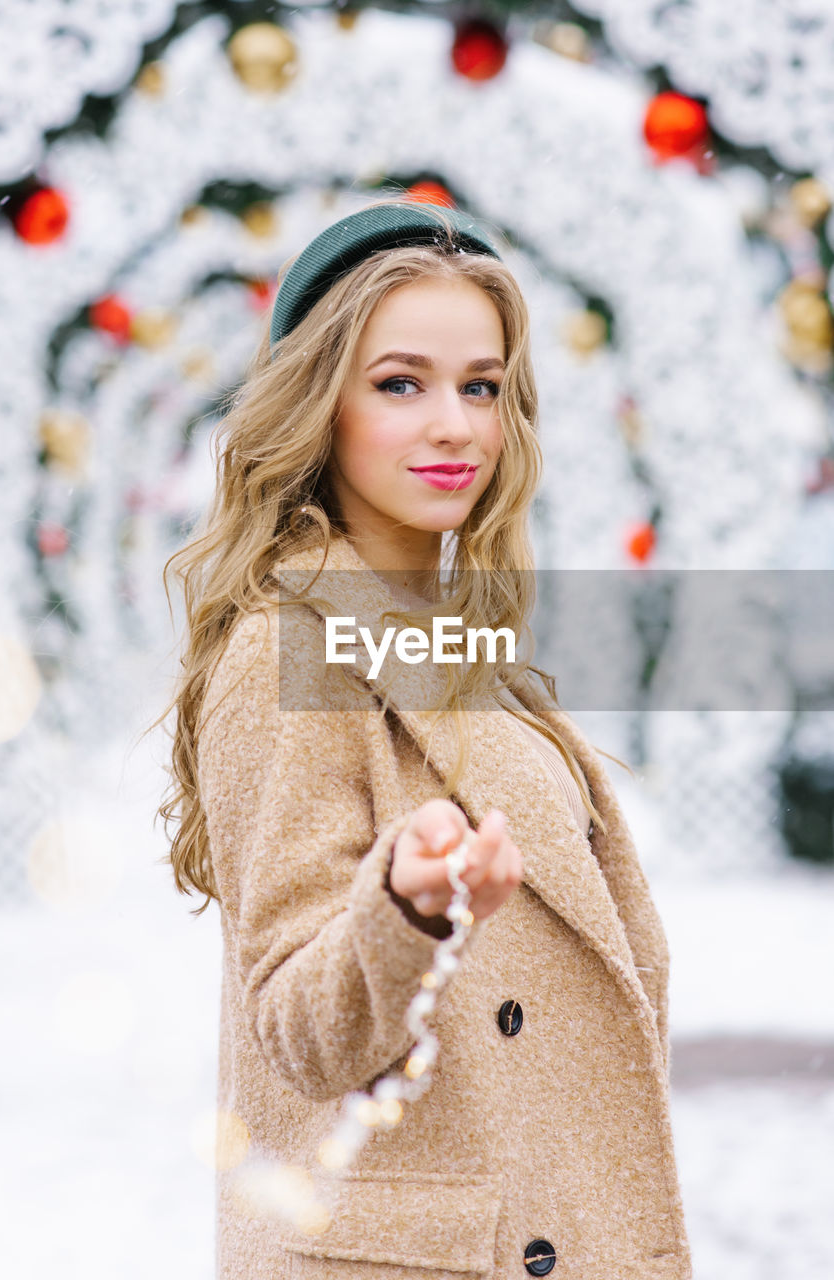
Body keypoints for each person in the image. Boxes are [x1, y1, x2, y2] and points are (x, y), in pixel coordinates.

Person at [155, 197, 692, 1279]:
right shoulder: (288, 649)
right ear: (319, 405)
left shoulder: (452, 643)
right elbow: (298, 1030)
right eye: (399, 382)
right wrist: (402, 904)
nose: (454, 424)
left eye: (480, 386)